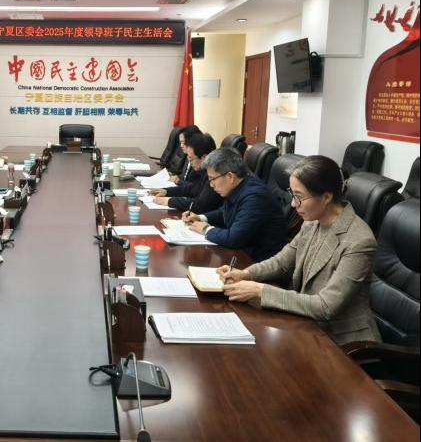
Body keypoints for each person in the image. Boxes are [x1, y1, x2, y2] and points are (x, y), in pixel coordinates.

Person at [218, 155, 381, 345]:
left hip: (341, 341)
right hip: (305, 323)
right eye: (292, 194)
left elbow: (326, 306)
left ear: (326, 197)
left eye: (299, 197)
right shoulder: (312, 221)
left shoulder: (359, 241)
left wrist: (260, 290)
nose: (293, 204)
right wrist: (245, 274)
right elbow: (281, 262)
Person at [183, 147, 287, 262]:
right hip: (241, 252)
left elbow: (233, 238)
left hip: (255, 261)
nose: (211, 185)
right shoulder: (240, 185)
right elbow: (224, 211)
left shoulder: (255, 196)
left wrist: (206, 229)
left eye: (212, 179)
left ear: (230, 177)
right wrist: (201, 217)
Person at [150, 133, 223, 213]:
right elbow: (190, 189)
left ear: (204, 157)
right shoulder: (201, 171)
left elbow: (200, 205)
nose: (190, 164)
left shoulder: (214, 177)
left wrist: (170, 201)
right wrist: (167, 191)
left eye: (191, 159)